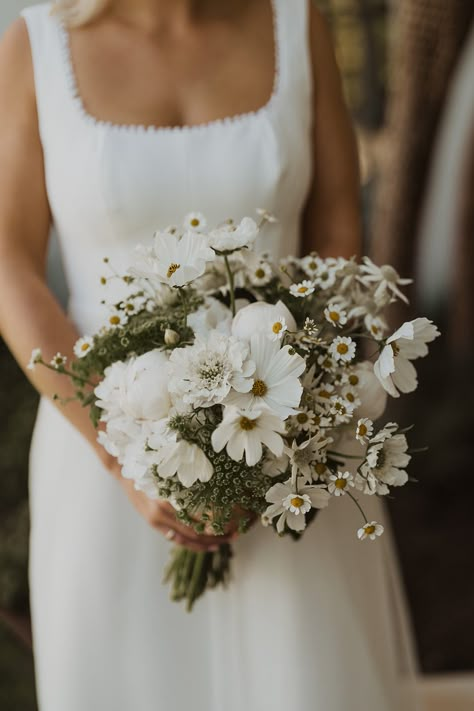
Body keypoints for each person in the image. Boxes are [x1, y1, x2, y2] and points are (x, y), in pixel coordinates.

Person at [0, 1, 417, 709]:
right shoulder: (36, 47)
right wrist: (124, 455)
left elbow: (336, 223)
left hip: (292, 454)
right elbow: (8, 262)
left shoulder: (295, 22)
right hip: (101, 461)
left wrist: (297, 412)